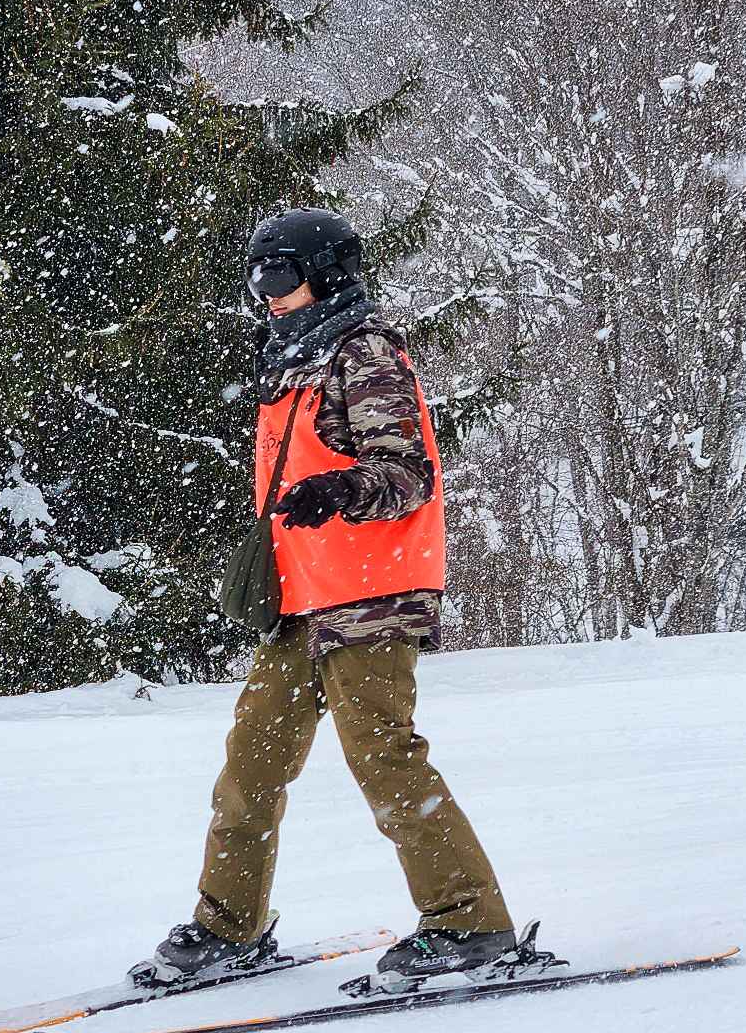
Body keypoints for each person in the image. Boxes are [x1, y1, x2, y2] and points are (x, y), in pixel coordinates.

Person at [131, 207, 515, 989]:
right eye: (259, 276)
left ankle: (470, 922)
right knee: (251, 764)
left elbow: (407, 474)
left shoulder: (364, 352)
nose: (267, 292)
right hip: (302, 599)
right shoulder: (291, 362)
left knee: (382, 757)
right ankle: (228, 925)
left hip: (373, 595)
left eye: (283, 274)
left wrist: (341, 488)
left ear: (327, 273)